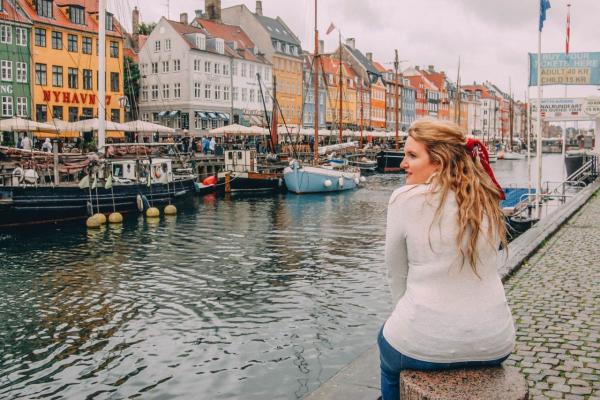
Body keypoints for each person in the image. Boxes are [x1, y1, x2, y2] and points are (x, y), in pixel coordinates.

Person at [379, 119, 514, 400]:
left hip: (423, 342)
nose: (403, 163)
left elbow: (395, 273)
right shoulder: (487, 197)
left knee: (386, 352)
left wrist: (410, 315)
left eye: (412, 155)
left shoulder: (403, 199)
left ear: (439, 161)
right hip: (494, 340)